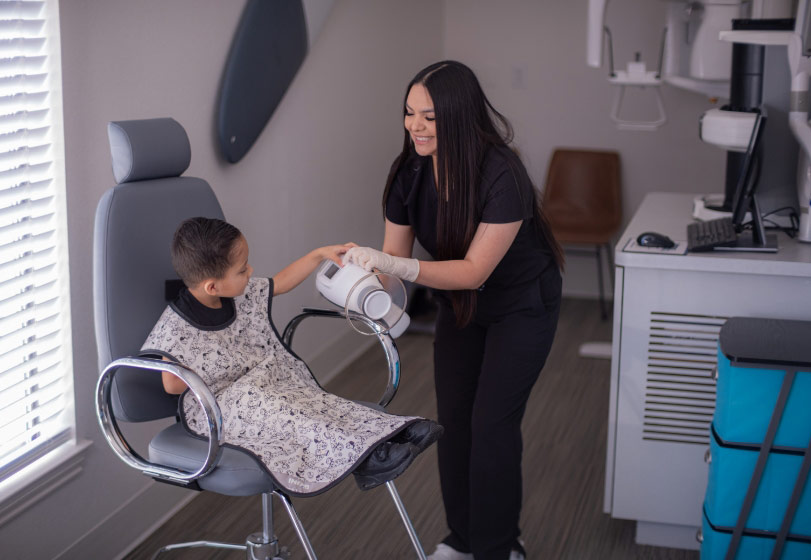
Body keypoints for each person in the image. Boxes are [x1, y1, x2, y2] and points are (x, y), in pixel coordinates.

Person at [344, 61, 564, 560]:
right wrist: (360, 285)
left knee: (491, 425)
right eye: (408, 113)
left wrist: (394, 263)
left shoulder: (501, 174)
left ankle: (499, 547)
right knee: (455, 423)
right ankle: (462, 539)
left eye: (429, 117)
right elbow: (390, 269)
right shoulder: (408, 173)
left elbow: (473, 272)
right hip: (461, 308)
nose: (414, 126)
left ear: (460, 117)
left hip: (521, 306)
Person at [141, 217, 442, 495]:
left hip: (258, 385)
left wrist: (318, 254)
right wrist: (207, 358)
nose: (251, 272)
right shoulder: (176, 326)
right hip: (215, 408)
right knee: (292, 415)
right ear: (212, 285)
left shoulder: (231, 292)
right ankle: (372, 457)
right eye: (243, 269)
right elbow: (172, 385)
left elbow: (281, 283)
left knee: (313, 403)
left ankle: (396, 432)